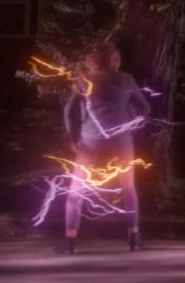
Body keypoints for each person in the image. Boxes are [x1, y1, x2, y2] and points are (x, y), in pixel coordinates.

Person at [59, 41, 151, 254]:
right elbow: (144, 108)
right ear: (112, 61)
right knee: (128, 188)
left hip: (90, 138)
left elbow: (69, 110)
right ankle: (134, 238)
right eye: (116, 59)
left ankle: (70, 241)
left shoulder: (83, 80)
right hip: (121, 138)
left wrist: (73, 137)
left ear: (92, 61)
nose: (118, 62)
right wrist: (130, 126)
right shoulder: (126, 79)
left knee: (76, 190)